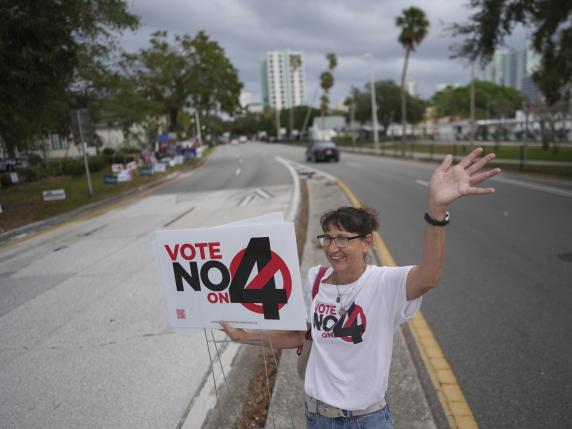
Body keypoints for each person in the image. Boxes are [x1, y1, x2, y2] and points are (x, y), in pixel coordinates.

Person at [221, 147, 501, 428]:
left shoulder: (385, 283)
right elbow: (299, 336)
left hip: (367, 420)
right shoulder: (317, 279)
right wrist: (243, 335)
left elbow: (429, 276)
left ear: (366, 242)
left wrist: (436, 212)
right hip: (317, 416)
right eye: (327, 238)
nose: (333, 248)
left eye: (343, 239)